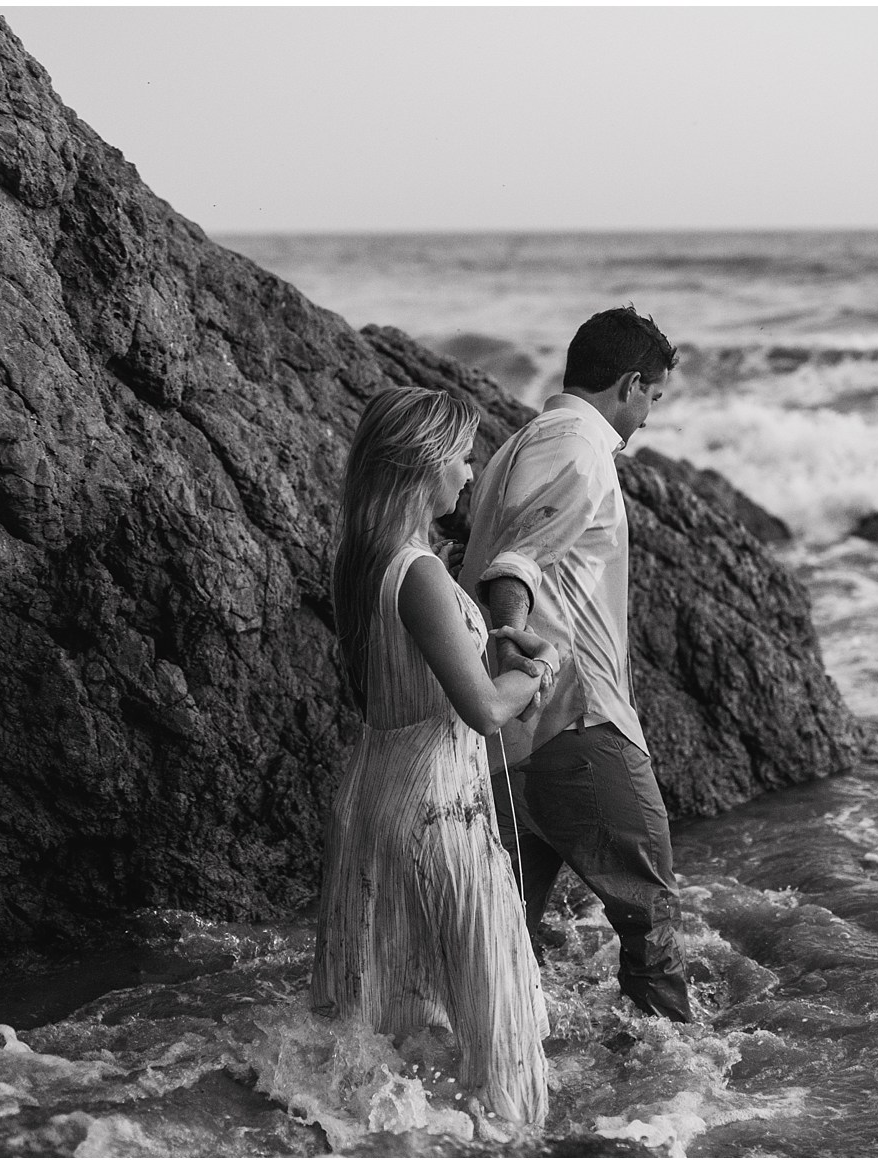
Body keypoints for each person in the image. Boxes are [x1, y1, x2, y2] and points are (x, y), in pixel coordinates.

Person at [311, 386, 558, 1130]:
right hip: (434, 805)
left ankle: (385, 1131)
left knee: (388, 1003)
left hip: (377, 789)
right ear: (422, 468)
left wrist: (486, 644)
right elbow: (481, 709)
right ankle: (506, 1134)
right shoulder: (417, 572)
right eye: (459, 457)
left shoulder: (363, 561)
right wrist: (531, 674)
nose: (471, 472)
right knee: (492, 1008)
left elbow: (400, 680)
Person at [458, 306, 693, 1024]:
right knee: (652, 921)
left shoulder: (519, 448)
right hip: (579, 726)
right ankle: (672, 1101)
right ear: (630, 384)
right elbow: (515, 565)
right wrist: (509, 635)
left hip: (512, 743)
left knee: (509, 941)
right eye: (653, 397)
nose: (650, 416)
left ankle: (513, 1087)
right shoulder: (580, 450)